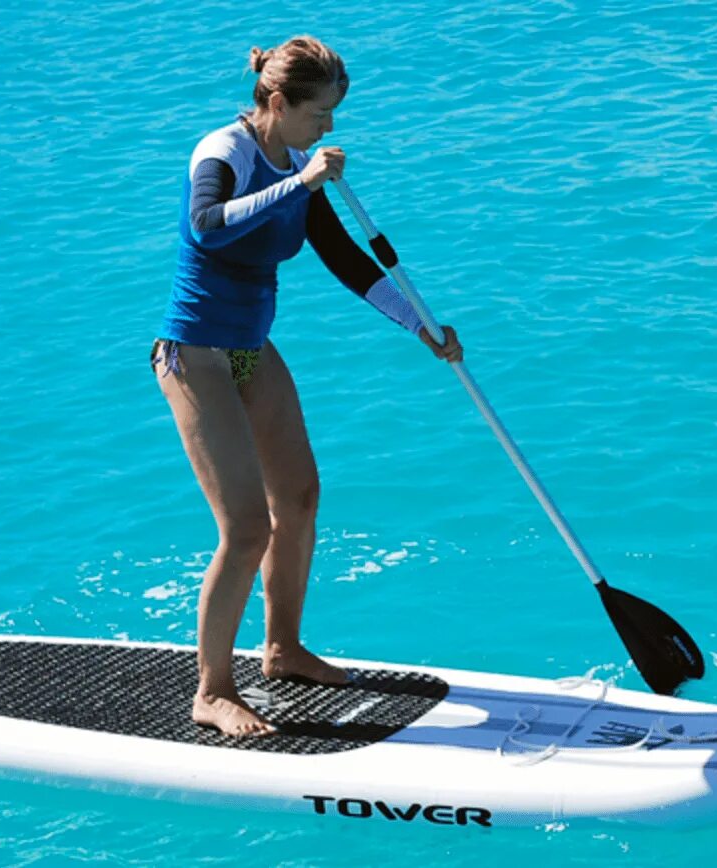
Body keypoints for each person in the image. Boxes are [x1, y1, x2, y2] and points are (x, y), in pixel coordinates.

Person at [152, 35, 463, 737]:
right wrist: (299, 184)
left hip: (251, 351)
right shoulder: (222, 153)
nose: (329, 129)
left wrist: (422, 327)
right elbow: (205, 230)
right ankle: (212, 689)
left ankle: (283, 649)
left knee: (298, 498)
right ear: (277, 101)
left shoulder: (299, 162)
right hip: (194, 354)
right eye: (319, 114)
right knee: (244, 528)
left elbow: (348, 261)